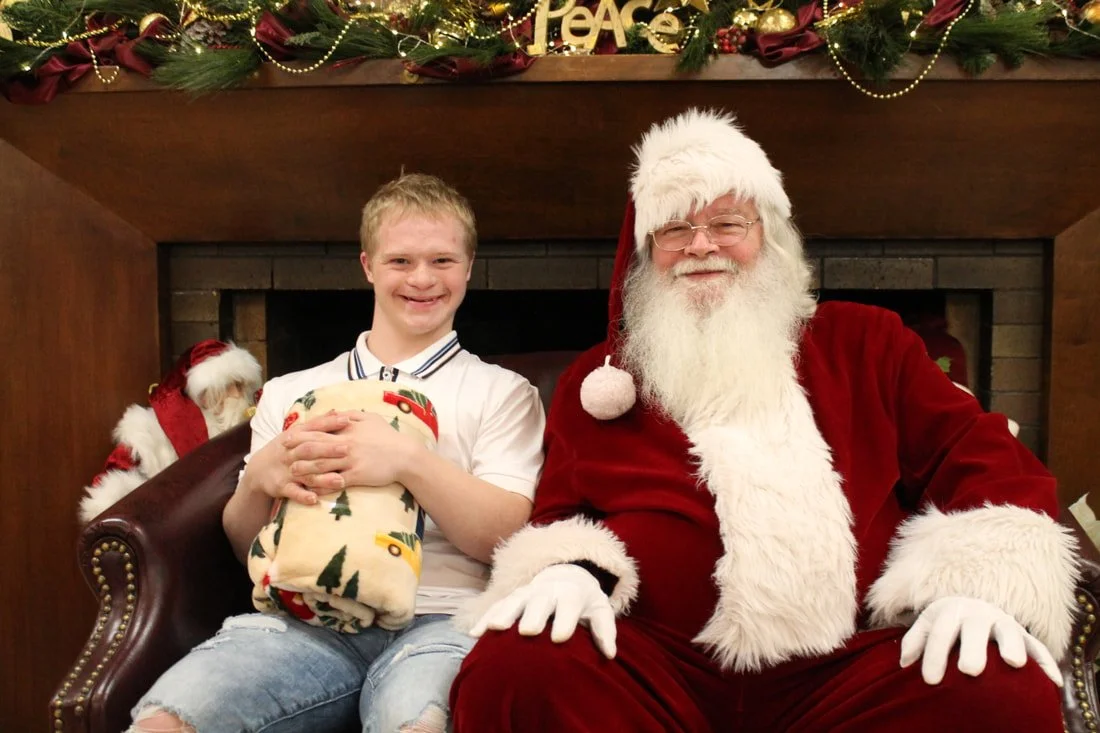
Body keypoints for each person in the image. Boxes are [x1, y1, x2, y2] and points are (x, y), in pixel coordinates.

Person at [449, 109, 1078, 732]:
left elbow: (981, 455)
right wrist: (571, 570)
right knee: (516, 669)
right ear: (647, 252)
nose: (701, 246)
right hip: (653, 669)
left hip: (847, 672)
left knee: (997, 688)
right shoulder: (602, 381)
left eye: (727, 222)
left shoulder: (868, 344)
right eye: (674, 228)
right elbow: (561, 514)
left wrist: (976, 586)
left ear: (768, 236)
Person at [127, 173, 546, 733]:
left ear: (468, 268)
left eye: (442, 261)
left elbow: (505, 538)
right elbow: (247, 545)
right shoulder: (288, 393)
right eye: (400, 261)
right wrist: (258, 483)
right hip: (305, 621)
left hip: (445, 619)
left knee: (419, 722)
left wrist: (407, 461)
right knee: (165, 720)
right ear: (368, 265)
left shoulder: (503, 391)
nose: (422, 279)